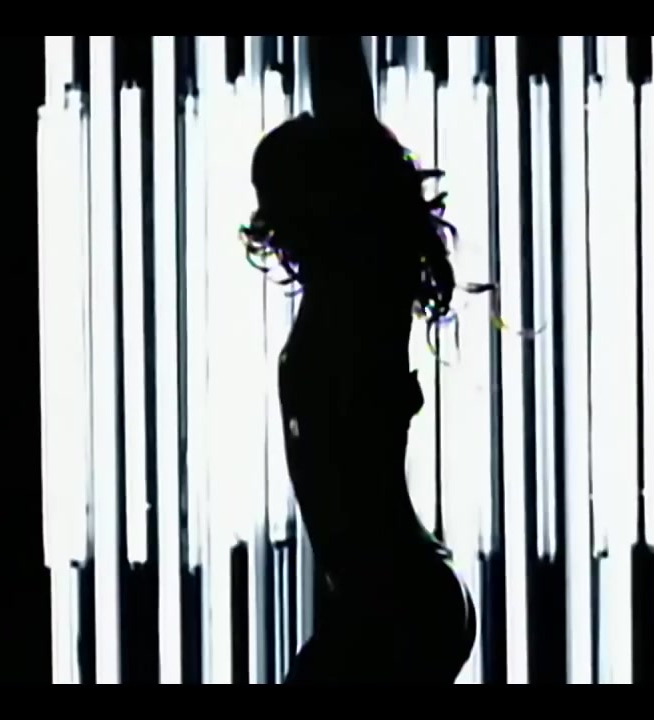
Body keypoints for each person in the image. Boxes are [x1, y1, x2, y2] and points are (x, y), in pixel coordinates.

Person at [241, 36, 476, 684]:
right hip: (384, 602)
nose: (269, 220)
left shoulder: (364, 288)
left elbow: (349, 117)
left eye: (277, 198)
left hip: (397, 603)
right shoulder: (343, 297)